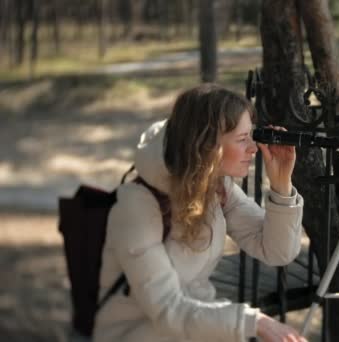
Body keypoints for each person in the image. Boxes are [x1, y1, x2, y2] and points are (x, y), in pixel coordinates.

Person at [93, 84, 307, 342]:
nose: (253, 148)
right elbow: (167, 310)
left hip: (190, 329)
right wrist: (253, 322)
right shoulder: (136, 206)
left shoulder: (217, 187)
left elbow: (276, 251)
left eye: (251, 135)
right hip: (136, 333)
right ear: (207, 145)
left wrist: (281, 187)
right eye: (242, 139)